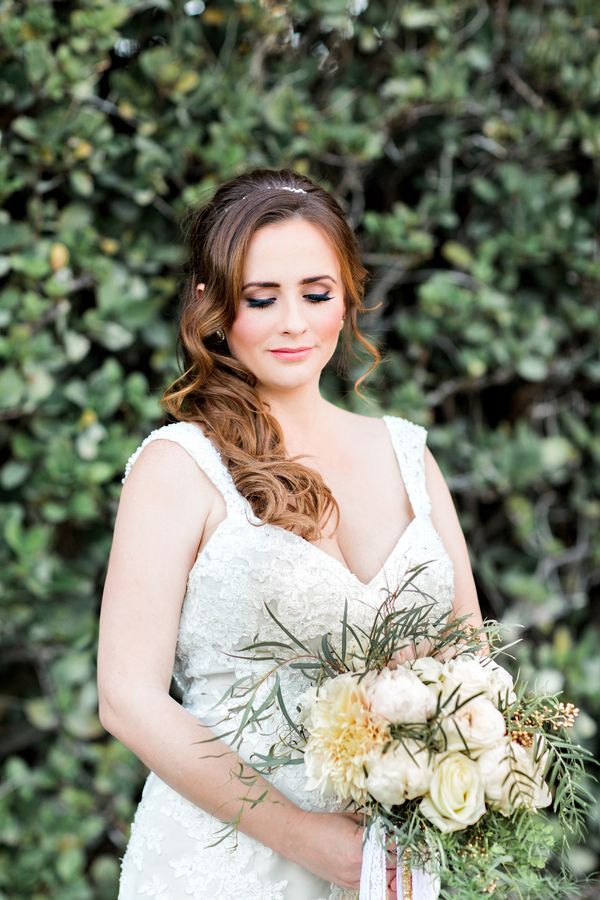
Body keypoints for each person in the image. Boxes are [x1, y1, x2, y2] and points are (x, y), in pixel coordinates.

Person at [97, 167, 484, 899]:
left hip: (394, 865)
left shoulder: (408, 453)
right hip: (222, 866)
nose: (294, 323)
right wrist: (308, 841)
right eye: (261, 297)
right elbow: (127, 697)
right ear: (213, 306)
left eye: (316, 293)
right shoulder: (180, 466)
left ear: (347, 296)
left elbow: (471, 656)